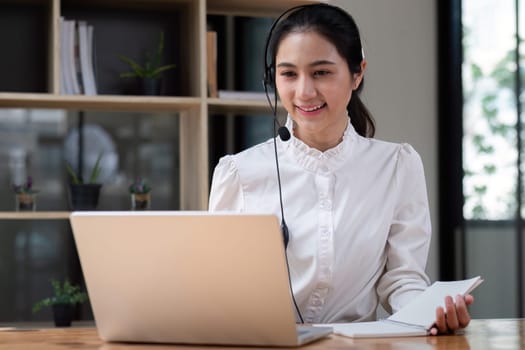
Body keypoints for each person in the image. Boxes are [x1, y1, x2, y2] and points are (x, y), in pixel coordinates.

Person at [208, 3, 473, 335]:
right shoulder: (238, 174)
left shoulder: (397, 167)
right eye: (289, 73)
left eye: (321, 72)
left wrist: (429, 313)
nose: (304, 92)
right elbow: (220, 287)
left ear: (357, 73)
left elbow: (402, 278)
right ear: (271, 78)